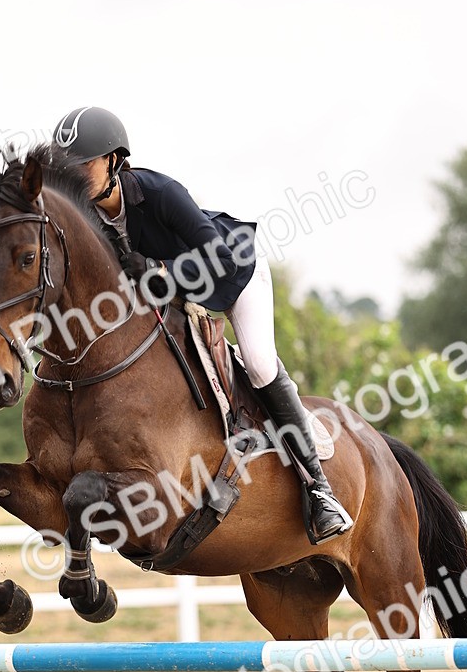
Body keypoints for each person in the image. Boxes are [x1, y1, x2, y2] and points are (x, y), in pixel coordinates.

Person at [52, 106, 352, 543]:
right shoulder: (86, 218)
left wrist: (157, 270)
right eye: (67, 167)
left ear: (114, 160)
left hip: (236, 273)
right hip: (178, 295)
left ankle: (318, 489)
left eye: (85, 164)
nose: (75, 175)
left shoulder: (160, 193)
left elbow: (221, 259)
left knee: (259, 364)